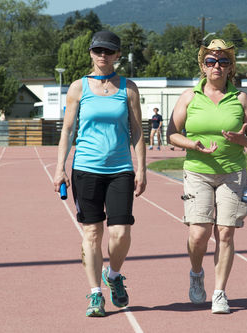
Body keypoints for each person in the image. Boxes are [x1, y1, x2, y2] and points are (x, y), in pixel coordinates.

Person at [53, 30, 146, 317]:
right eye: (97, 51)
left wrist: (141, 168)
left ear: (118, 55)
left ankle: (114, 275)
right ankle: (95, 294)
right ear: (91, 54)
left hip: (120, 169)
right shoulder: (77, 88)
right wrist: (60, 167)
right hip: (86, 169)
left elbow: (138, 131)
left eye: (108, 51)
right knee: (92, 233)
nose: (102, 56)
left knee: (120, 233)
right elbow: (68, 130)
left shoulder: (128, 88)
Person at [166, 39, 247, 314]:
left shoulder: (240, 98)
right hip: (198, 171)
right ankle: (197, 273)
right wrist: (192, 145)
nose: (217, 66)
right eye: (211, 61)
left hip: (232, 173)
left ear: (231, 67)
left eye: (223, 62)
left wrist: (242, 139)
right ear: (203, 66)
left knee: (225, 233)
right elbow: (171, 133)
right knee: (198, 233)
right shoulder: (189, 97)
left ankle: (220, 293)